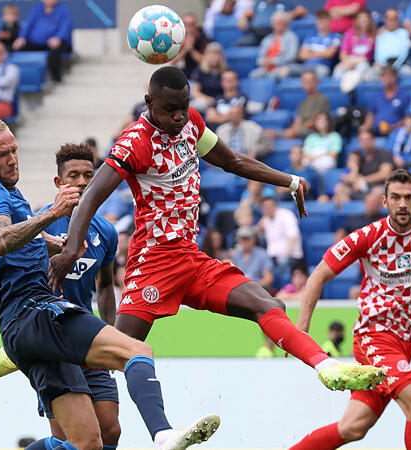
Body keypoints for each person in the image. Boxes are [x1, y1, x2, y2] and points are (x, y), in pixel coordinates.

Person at [48, 65, 385, 390]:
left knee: (270, 305)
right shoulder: (134, 143)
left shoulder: (190, 123)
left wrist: (290, 180)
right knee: (115, 351)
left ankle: (327, 367)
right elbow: (91, 195)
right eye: (170, 109)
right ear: (149, 103)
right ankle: (30, 352)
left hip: (191, 259)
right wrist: (72, 247)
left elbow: (232, 161)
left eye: (184, 107)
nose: (179, 116)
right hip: (154, 263)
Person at [0, 117, 220, 450]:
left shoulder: (13, 196)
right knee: (138, 351)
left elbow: (10, 242)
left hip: (22, 326)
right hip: (38, 314)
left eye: (14, 150)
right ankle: (163, 434)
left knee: (88, 442)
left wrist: (51, 242)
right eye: (1, 155)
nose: (12, 159)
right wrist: (52, 213)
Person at [293, 169, 411, 449]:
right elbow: (318, 275)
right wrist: (301, 331)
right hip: (374, 337)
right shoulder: (368, 236)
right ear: (384, 202)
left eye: (408, 197)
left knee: (353, 428)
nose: (402, 204)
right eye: (395, 198)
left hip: (405, 343)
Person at [0, 143, 122, 450]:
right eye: (73, 175)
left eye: (88, 175)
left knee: (110, 431)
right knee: (71, 438)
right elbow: (6, 256)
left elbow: (105, 287)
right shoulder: (37, 223)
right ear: (58, 182)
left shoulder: (105, 232)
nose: (81, 182)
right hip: (53, 335)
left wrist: (109, 332)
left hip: (87, 332)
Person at [12, 0, 71, 83]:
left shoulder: (64, 10)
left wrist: (58, 38)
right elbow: (28, 24)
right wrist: (21, 38)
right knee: (16, 48)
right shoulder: (37, 8)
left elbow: (65, 27)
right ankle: (22, 80)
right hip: (35, 43)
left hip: (55, 43)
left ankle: (56, 79)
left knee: (54, 56)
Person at [335, 130, 394, 200]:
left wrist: (364, 180)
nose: (364, 142)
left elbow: (385, 174)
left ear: (373, 140)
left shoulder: (384, 153)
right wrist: (354, 170)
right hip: (362, 188)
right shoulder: (360, 157)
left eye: (367, 139)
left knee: (377, 191)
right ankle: (350, 210)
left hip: (379, 188)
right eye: (361, 140)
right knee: (340, 188)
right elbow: (353, 177)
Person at [278, 71, 331, 139]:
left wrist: (299, 129)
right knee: (269, 133)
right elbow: (298, 120)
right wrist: (294, 128)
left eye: (310, 80)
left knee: (290, 134)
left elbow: (317, 119)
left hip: (313, 131)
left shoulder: (322, 99)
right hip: (301, 130)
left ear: (316, 82)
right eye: (304, 80)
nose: (307, 82)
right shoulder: (302, 103)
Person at [361, 67, 411, 136]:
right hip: (376, 132)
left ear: (395, 77)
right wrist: (366, 127)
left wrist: (392, 127)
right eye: (384, 76)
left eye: (390, 76)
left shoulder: (404, 96)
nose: (387, 78)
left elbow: (408, 118)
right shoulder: (376, 96)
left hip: (397, 132)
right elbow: (371, 115)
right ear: (381, 79)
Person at [248, 11, 299, 79]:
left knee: (276, 74)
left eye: (281, 23)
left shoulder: (292, 37)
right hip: (266, 68)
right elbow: (259, 58)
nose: (279, 25)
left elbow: (291, 57)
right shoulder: (267, 39)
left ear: (287, 24)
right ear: (272, 24)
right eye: (277, 23)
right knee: (253, 75)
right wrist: (263, 62)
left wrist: (273, 61)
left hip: (283, 66)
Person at [258, 194, 303, 268]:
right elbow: (258, 230)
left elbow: (292, 236)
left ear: (275, 206)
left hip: (290, 256)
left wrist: (287, 254)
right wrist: (264, 216)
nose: (267, 209)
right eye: (264, 207)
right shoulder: (265, 220)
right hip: (272, 256)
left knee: (283, 261)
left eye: (270, 206)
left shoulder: (286, 215)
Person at [236, 0, 308, 47]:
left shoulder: (285, 2)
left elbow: (302, 10)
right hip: (256, 34)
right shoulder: (260, 2)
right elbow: (248, 12)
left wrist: (291, 14)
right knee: (238, 46)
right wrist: (243, 18)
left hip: (275, 35)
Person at [294, 9, 341, 79]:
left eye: (324, 19)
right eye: (319, 19)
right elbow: (302, 55)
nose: (321, 22)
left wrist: (311, 52)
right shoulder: (310, 36)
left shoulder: (336, 36)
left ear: (329, 21)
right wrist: (322, 53)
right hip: (305, 67)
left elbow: (329, 54)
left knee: (320, 73)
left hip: (322, 67)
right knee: (284, 70)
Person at [332, 11, 375, 81]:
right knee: (338, 70)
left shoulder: (374, 35)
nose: (363, 20)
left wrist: (353, 62)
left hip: (363, 62)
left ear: (370, 20)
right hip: (349, 60)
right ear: (356, 20)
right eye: (360, 18)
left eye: (365, 18)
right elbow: (343, 54)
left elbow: (366, 58)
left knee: (362, 69)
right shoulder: (350, 33)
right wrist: (349, 63)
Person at [230, 225, 275, 290]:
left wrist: (253, 287)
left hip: (257, 290)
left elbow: (268, 278)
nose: (244, 241)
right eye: (242, 239)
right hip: (239, 290)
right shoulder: (235, 255)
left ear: (254, 239)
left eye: (247, 239)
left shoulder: (262, 255)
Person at [372, 9, 411, 78]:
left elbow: (403, 54)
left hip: (400, 66)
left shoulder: (404, 33)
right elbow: (378, 55)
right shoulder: (380, 34)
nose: (391, 21)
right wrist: (383, 66)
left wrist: (392, 68)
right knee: (371, 73)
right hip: (383, 66)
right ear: (385, 20)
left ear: (398, 20)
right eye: (388, 18)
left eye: (394, 18)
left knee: (408, 72)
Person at [189, 42, 228, 111]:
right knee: (193, 106)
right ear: (206, 56)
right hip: (205, 101)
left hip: (222, 101)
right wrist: (210, 100)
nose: (215, 57)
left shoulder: (226, 71)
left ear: (221, 56)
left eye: (217, 54)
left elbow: (231, 90)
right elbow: (195, 93)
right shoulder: (199, 71)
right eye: (212, 54)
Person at [173, 13, 211, 78]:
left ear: (196, 26)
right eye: (185, 25)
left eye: (191, 25)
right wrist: (185, 50)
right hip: (184, 73)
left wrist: (191, 50)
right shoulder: (177, 39)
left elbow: (207, 62)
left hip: (202, 74)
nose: (188, 29)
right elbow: (172, 61)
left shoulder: (205, 40)